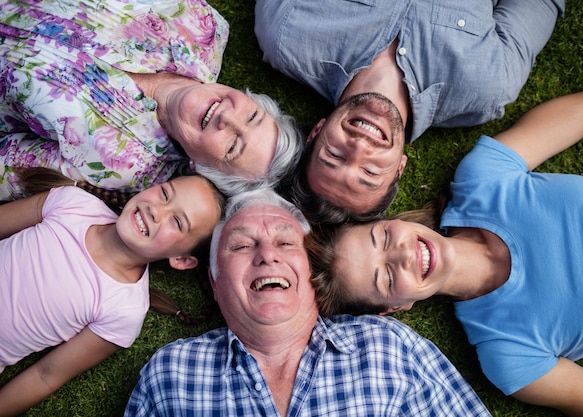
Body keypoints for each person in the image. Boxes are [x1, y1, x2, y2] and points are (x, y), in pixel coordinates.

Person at [308, 88, 583, 416]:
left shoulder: (482, 179)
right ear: (395, 307)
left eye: (383, 238)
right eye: (386, 277)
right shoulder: (509, 355)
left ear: (389, 219)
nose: (402, 255)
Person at [124, 188, 492, 417]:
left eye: (286, 243)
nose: (267, 255)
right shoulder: (171, 373)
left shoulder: (391, 347)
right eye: (240, 245)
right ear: (214, 280)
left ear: (312, 271)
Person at [255, 0, 565, 223]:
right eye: (370, 172)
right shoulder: (487, 85)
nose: (360, 146)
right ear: (400, 167)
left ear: (316, 131)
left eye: (334, 155)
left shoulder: (287, 32)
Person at [0, 0, 302, 200]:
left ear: (202, 169)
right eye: (252, 116)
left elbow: (7, 168)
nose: (228, 118)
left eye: (233, 146)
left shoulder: (117, 166)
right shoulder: (201, 28)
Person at [0, 168, 224, 416]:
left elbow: (46, 375)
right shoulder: (73, 203)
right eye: (164, 193)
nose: (156, 210)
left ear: (181, 260)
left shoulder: (125, 310)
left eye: (177, 221)